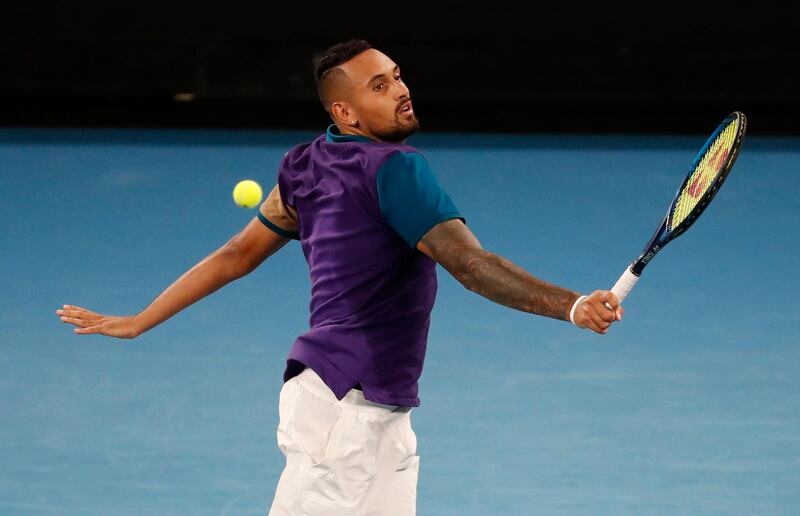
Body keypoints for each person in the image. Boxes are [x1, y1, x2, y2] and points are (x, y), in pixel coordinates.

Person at [56, 39, 623, 515]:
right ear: (345, 114)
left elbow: (236, 254)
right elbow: (470, 265)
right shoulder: (398, 170)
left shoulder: (305, 164)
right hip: (340, 408)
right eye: (379, 86)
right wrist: (571, 305)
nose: (401, 90)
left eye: (397, 77)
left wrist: (140, 321)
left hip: (380, 410)